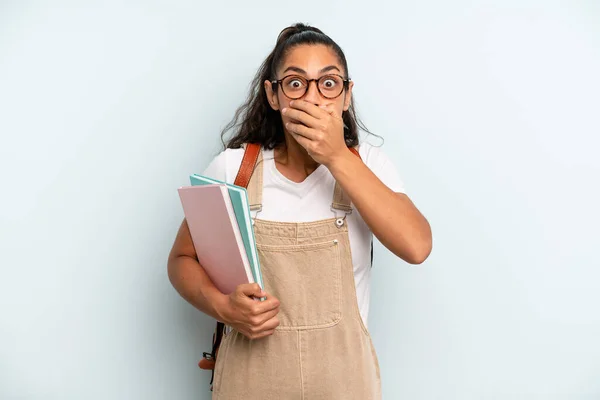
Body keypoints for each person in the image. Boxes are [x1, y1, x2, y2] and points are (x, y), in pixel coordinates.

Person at [167, 22, 432, 400]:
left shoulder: (370, 165)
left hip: (344, 385)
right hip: (250, 382)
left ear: (346, 95)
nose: (312, 98)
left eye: (328, 83)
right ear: (273, 96)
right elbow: (181, 259)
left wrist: (338, 156)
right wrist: (224, 307)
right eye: (295, 83)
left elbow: (417, 246)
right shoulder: (234, 170)